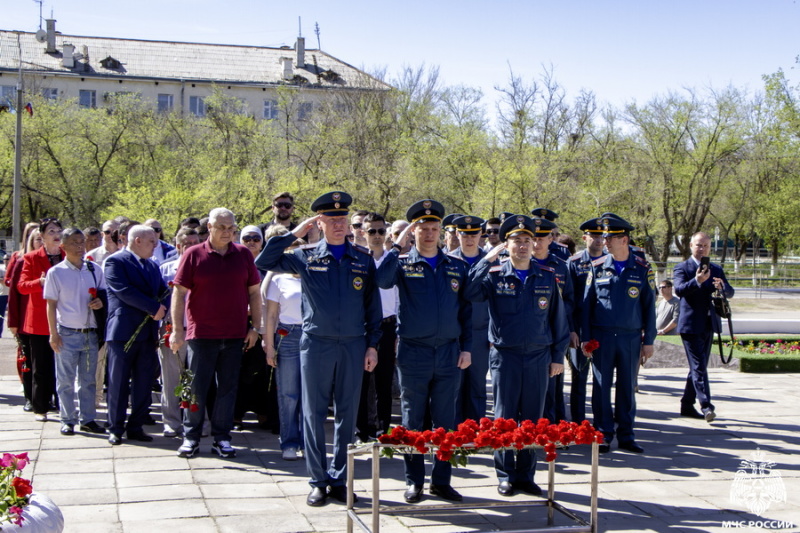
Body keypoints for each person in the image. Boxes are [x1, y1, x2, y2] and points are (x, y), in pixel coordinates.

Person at [256, 191, 381, 507]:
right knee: (312, 412)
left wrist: (372, 345)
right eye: (331, 219)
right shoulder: (306, 255)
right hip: (316, 344)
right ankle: (318, 480)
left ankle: (340, 479)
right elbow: (264, 260)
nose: (339, 224)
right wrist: (295, 233)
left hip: (353, 345)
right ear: (320, 222)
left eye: (343, 219)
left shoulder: (363, 260)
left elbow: (372, 308)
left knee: (346, 414)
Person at [465, 214, 569, 497]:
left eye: (527, 241)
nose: (522, 246)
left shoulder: (546, 276)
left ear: (534, 244)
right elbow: (470, 291)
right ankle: (504, 474)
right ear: (506, 244)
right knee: (504, 417)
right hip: (505, 357)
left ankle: (526, 474)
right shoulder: (495, 275)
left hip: (538, 356)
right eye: (516, 241)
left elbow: (558, 320)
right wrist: (487, 259)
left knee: (533, 419)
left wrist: (558, 356)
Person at [376, 199, 472, 504]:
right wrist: (396, 245)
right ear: (413, 232)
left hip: (448, 352)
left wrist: (467, 348)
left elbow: (467, 312)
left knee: (446, 420)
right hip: (414, 352)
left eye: (434, 228)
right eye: (423, 229)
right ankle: (414, 481)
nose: (429, 234)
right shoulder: (403, 264)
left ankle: (441, 481)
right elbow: (381, 279)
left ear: (442, 232)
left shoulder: (456, 266)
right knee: (412, 419)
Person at [170, 208, 262, 459]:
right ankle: (191, 437)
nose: (227, 232)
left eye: (231, 228)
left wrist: (256, 327)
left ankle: (222, 438)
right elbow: (178, 294)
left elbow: (255, 292)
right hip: (201, 334)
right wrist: (177, 330)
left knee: (227, 389)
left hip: (235, 334)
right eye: (221, 227)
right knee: (197, 388)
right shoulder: (193, 254)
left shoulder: (243, 254)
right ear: (209, 227)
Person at [581, 215, 656, 454]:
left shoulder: (642, 269)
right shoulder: (597, 266)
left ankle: (626, 435)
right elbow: (587, 305)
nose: (605, 242)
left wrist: (649, 341)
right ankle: (602, 434)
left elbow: (649, 308)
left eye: (610, 238)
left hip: (630, 338)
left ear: (624, 240)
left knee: (627, 387)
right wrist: (585, 337)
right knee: (601, 387)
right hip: (601, 338)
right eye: (604, 237)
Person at [104, 225, 169, 445]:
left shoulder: (152, 266)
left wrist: (164, 307)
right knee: (119, 382)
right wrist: (153, 308)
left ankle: (136, 425)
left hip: (147, 333)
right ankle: (115, 427)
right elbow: (123, 291)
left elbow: (164, 291)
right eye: (152, 241)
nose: (155, 245)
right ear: (138, 240)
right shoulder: (116, 262)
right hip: (123, 332)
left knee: (144, 383)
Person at [43, 228, 106, 436]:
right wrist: (53, 333)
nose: (80, 246)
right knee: (65, 380)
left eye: (82, 242)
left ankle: (87, 418)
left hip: (90, 332)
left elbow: (104, 297)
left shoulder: (94, 269)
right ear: (64, 246)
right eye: (75, 242)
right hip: (67, 333)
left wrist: (99, 303)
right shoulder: (56, 272)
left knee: (88, 379)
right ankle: (67, 419)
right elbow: (51, 305)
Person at [672, 232, 734, 422]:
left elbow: (730, 292)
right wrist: (697, 281)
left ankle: (686, 404)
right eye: (699, 245)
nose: (702, 249)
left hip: (709, 323)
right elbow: (679, 290)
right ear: (691, 245)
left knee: (698, 367)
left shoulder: (715, 268)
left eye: (706, 246)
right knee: (699, 365)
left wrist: (722, 287)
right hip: (690, 325)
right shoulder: (682, 267)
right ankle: (706, 406)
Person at [355, 212, 399, 443]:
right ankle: (362, 430)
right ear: (362, 232)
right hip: (361, 327)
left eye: (381, 231)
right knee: (362, 382)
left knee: (384, 382)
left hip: (388, 325)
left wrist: (399, 331)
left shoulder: (394, 260)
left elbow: (399, 297)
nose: (376, 235)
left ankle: (383, 430)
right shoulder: (357, 258)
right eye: (371, 231)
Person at [262, 236, 305, 460]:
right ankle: (289, 442)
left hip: (312, 336)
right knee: (289, 394)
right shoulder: (278, 280)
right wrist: (269, 346)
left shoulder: (314, 275)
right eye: (291, 251)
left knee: (311, 395)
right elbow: (270, 315)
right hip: (287, 336)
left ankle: (309, 444)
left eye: (299, 250)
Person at [18, 218, 65, 422]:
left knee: (63, 366)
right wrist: (41, 282)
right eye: (51, 231)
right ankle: (40, 407)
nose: (56, 234)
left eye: (59, 230)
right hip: (39, 320)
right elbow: (22, 286)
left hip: (65, 318)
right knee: (41, 367)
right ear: (43, 236)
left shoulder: (67, 256)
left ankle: (63, 404)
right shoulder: (31, 258)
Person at [530, 217, 574, 423]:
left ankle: (554, 429)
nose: (537, 244)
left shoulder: (562, 267)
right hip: (529, 333)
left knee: (554, 384)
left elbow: (570, 300)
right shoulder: (520, 264)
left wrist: (569, 328)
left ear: (551, 240)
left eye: (542, 238)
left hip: (554, 332)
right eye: (533, 238)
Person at [158, 227, 200, 438]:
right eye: (188, 243)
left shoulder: (204, 265)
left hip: (198, 331)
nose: (193, 247)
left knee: (197, 380)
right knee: (172, 378)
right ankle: (172, 422)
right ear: (178, 246)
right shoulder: (165, 269)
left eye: (196, 242)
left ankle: (197, 421)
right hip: (173, 329)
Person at [448, 215, 490, 423]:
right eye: (465, 234)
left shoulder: (492, 262)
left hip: (481, 333)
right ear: (457, 234)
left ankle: (475, 435)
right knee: (453, 387)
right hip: (453, 333)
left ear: (480, 234)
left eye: (474, 234)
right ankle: (453, 437)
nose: (469, 238)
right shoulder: (448, 261)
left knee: (476, 386)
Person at [233, 224, 274, 432]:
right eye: (246, 238)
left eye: (256, 239)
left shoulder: (268, 266)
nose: (251, 242)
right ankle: (236, 415)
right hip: (237, 323)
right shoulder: (234, 262)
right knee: (238, 372)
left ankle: (262, 412)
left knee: (260, 372)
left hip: (263, 324)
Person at [567, 218, 606, 423]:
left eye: (602, 236)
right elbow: (569, 301)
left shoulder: (610, 261)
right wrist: (572, 330)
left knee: (602, 379)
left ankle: (601, 423)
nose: (599, 240)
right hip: (581, 329)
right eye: (595, 236)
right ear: (585, 237)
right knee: (579, 378)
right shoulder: (574, 263)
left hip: (603, 328)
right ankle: (578, 422)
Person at [5, 224, 42, 411]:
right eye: (37, 239)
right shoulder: (21, 260)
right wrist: (13, 322)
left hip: (45, 319)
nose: (41, 243)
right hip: (25, 318)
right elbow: (13, 292)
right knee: (28, 359)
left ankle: (47, 397)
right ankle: (30, 397)